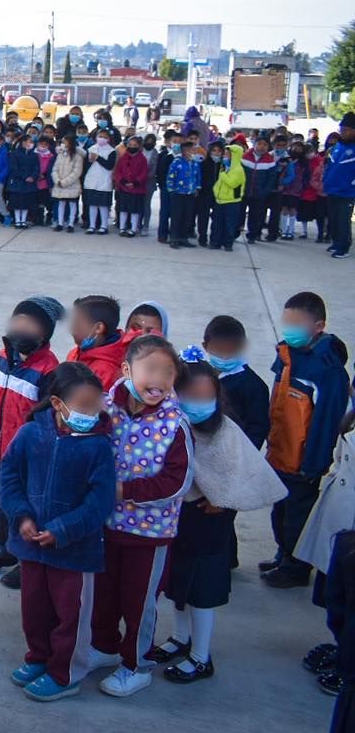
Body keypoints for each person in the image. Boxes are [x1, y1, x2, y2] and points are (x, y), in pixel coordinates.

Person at [147, 353, 284, 686]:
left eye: (206, 397)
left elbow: (242, 474)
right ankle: (181, 638)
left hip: (209, 525)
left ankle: (201, 656)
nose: (198, 404)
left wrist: (222, 499)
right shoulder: (169, 425)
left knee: (201, 592)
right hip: (178, 521)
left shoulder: (226, 431)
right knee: (177, 585)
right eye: (191, 397)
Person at [0, 361, 116, 702]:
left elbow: (101, 503)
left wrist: (62, 531)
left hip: (75, 552)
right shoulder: (30, 434)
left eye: (96, 404)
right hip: (32, 547)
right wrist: (21, 517)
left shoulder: (98, 445)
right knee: (34, 610)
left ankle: (66, 673)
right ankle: (39, 658)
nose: (92, 412)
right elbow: (10, 478)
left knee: (71, 617)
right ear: (56, 404)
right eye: (84, 405)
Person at [85, 335, 191, 697]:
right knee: (104, 594)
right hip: (106, 527)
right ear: (127, 370)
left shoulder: (175, 424)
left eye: (168, 372)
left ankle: (136, 664)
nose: (159, 379)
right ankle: (104, 647)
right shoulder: (107, 408)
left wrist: (124, 491)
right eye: (151, 369)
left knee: (138, 602)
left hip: (149, 535)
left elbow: (177, 482)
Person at [263, 291, 351, 588]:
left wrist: (314, 463)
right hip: (279, 451)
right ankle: (283, 553)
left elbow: (327, 421)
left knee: (297, 516)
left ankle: (296, 567)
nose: (289, 328)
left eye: (297, 323)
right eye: (287, 321)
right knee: (280, 511)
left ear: (318, 326)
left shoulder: (328, 369)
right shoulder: (287, 353)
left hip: (303, 459)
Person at [0, 297, 66, 590]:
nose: (21, 328)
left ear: (44, 334)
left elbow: (47, 417)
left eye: (29, 324)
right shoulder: (2, 357)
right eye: (18, 321)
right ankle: (0, 548)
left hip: (27, 456)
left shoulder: (49, 369)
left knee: (23, 508)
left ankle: (24, 558)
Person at [202, 315, 270, 450]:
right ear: (205, 346)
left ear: (243, 346)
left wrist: (242, 456)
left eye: (231, 351)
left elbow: (258, 428)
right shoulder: (201, 374)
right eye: (219, 350)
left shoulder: (254, 386)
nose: (225, 357)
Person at [65, 294, 131, 390]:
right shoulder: (75, 353)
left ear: (98, 328)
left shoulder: (106, 371)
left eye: (77, 323)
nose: (72, 329)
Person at [325, 113, 355, 258]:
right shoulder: (338, 146)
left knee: (343, 220)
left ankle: (344, 247)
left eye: (346, 129)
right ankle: (336, 242)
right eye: (341, 129)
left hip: (347, 192)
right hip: (332, 189)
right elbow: (330, 166)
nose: (343, 132)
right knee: (334, 219)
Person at [210, 141, 246, 251]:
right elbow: (218, 183)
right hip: (220, 200)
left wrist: (223, 174)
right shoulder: (225, 167)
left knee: (229, 224)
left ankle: (228, 243)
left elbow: (232, 183)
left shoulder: (238, 170)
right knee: (217, 223)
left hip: (232, 202)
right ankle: (215, 242)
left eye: (227, 154)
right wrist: (216, 192)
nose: (224, 156)